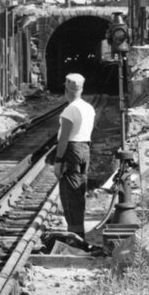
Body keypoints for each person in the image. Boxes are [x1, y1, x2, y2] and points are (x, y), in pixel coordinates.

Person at [53, 71, 96, 247]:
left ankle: (75, 239)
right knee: (79, 192)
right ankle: (79, 234)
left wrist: (58, 161)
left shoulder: (70, 109)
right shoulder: (88, 107)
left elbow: (64, 138)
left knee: (70, 195)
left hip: (72, 149)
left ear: (67, 90)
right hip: (85, 149)